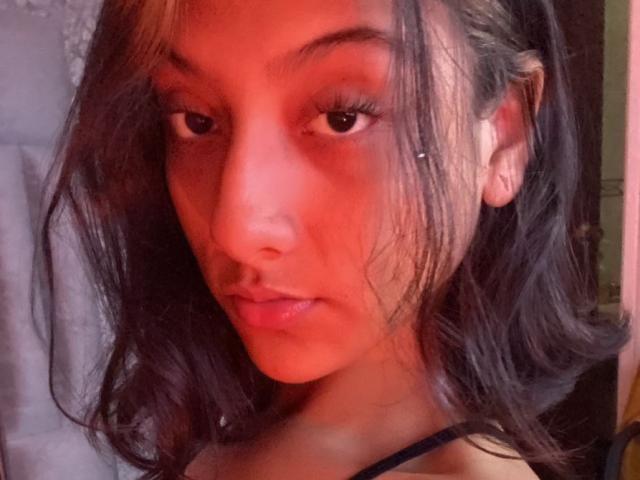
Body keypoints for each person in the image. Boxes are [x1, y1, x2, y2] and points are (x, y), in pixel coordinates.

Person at [40, 0, 627, 478]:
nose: (234, 230)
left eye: (343, 117)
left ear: (501, 138)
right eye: (196, 120)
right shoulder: (226, 420)